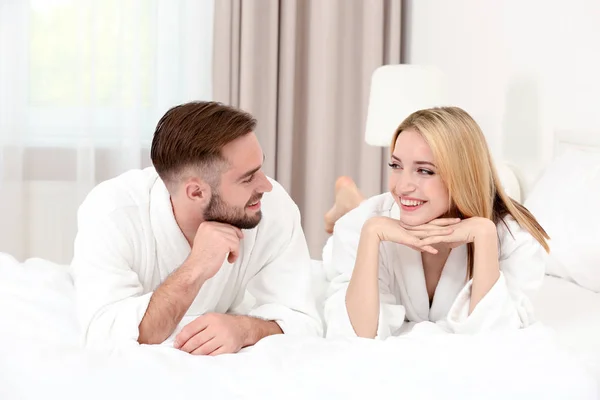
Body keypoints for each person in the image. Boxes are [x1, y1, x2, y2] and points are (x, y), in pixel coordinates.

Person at [71, 101, 323, 355]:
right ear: (196, 191)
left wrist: (244, 329)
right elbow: (104, 336)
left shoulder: (273, 206)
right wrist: (195, 268)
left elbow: (303, 322)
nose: (266, 186)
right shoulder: (112, 213)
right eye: (248, 178)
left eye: (259, 169)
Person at [322, 106, 550, 339]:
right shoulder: (359, 225)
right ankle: (348, 200)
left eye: (424, 170)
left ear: (463, 175)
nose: (402, 186)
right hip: (366, 217)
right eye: (396, 166)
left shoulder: (514, 238)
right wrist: (371, 233)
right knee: (360, 215)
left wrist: (484, 236)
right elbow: (354, 336)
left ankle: (351, 198)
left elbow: (492, 335)